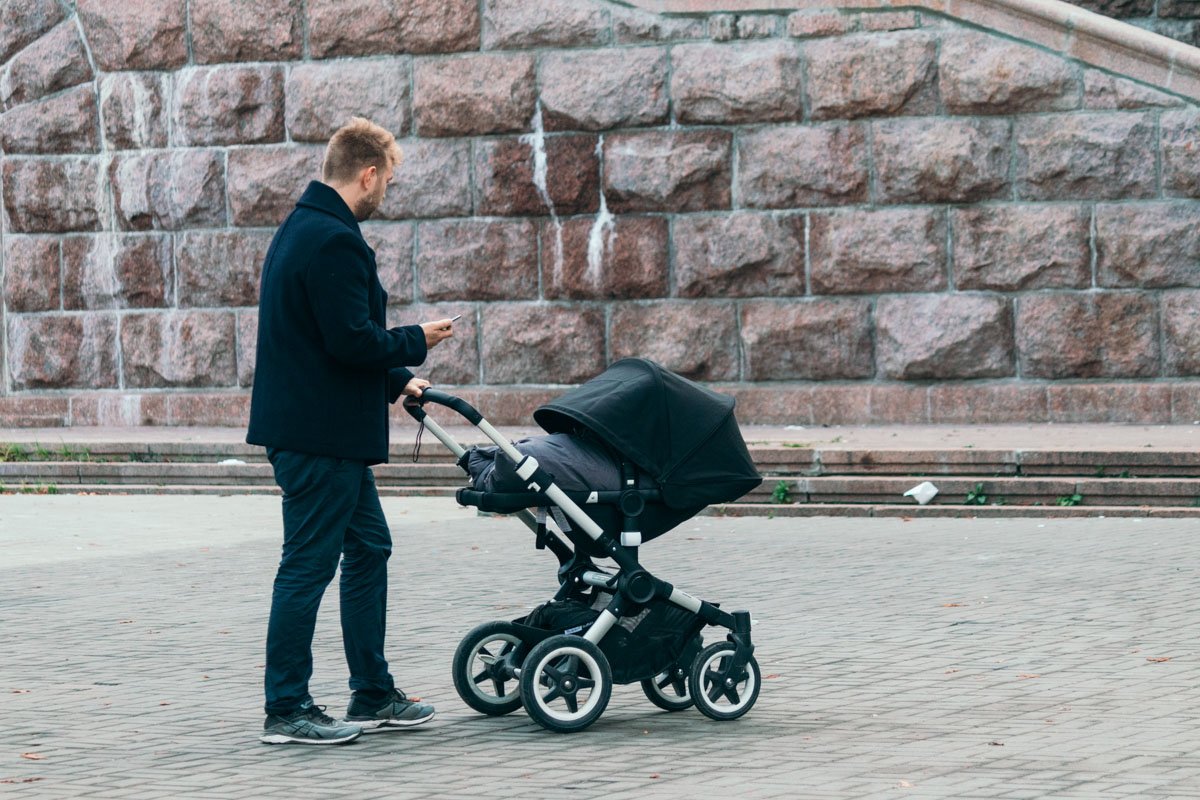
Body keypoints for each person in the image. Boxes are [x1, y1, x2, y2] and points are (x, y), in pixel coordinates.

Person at [247, 117, 454, 746]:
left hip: (321, 434)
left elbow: (327, 335)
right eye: (386, 180)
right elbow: (349, 339)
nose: (385, 191)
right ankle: (286, 708)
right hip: (321, 440)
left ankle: (371, 692)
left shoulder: (303, 227)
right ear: (366, 174)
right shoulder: (335, 239)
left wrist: (397, 378)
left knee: (369, 549)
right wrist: (418, 342)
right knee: (307, 567)